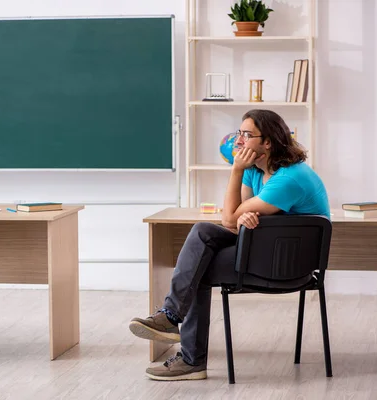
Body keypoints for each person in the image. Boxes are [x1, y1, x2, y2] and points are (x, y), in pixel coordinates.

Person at [128, 109, 330, 381]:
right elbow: (234, 222)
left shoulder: (288, 178)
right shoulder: (255, 171)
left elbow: (228, 217)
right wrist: (242, 210)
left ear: (267, 142)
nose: (239, 141)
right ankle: (172, 319)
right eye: (239, 133)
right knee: (201, 233)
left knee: (197, 266)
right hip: (262, 251)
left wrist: (236, 173)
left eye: (247, 135)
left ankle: (188, 353)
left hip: (287, 265)